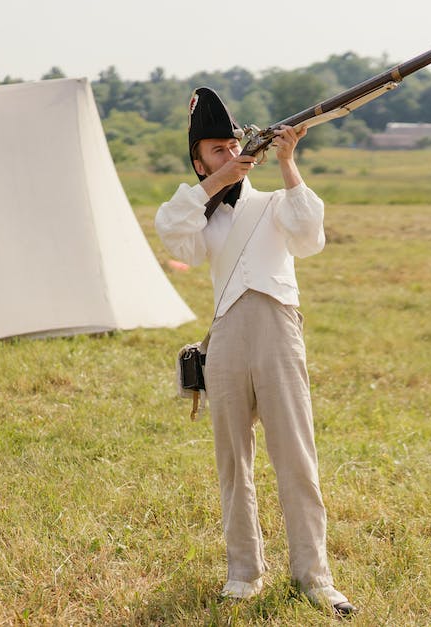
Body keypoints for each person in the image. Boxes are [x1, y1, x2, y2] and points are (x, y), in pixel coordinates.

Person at [154, 87, 356, 617]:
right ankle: (243, 573)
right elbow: (172, 233)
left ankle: (314, 577)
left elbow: (310, 236)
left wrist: (287, 162)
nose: (226, 154)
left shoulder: (273, 202)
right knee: (233, 463)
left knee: (296, 457)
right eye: (214, 151)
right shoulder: (202, 213)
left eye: (231, 145)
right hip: (226, 339)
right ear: (198, 161)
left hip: (278, 331)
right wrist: (222, 179)